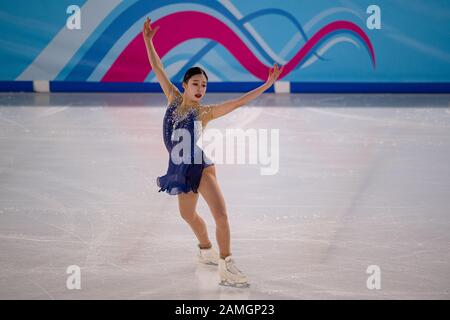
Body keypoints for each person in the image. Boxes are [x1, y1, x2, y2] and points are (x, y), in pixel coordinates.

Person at [143, 17, 283, 287]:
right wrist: (149, 41)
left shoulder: (204, 113)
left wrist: (267, 85)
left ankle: (226, 263)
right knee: (188, 216)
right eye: (196, 84)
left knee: (220, 214)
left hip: (200, 166)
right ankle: (206, 249)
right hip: (178, 170)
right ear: (184, 85)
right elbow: (157, 67)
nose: (200, 89)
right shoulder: (172, 98)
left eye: (204, 86)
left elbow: (238, 102)